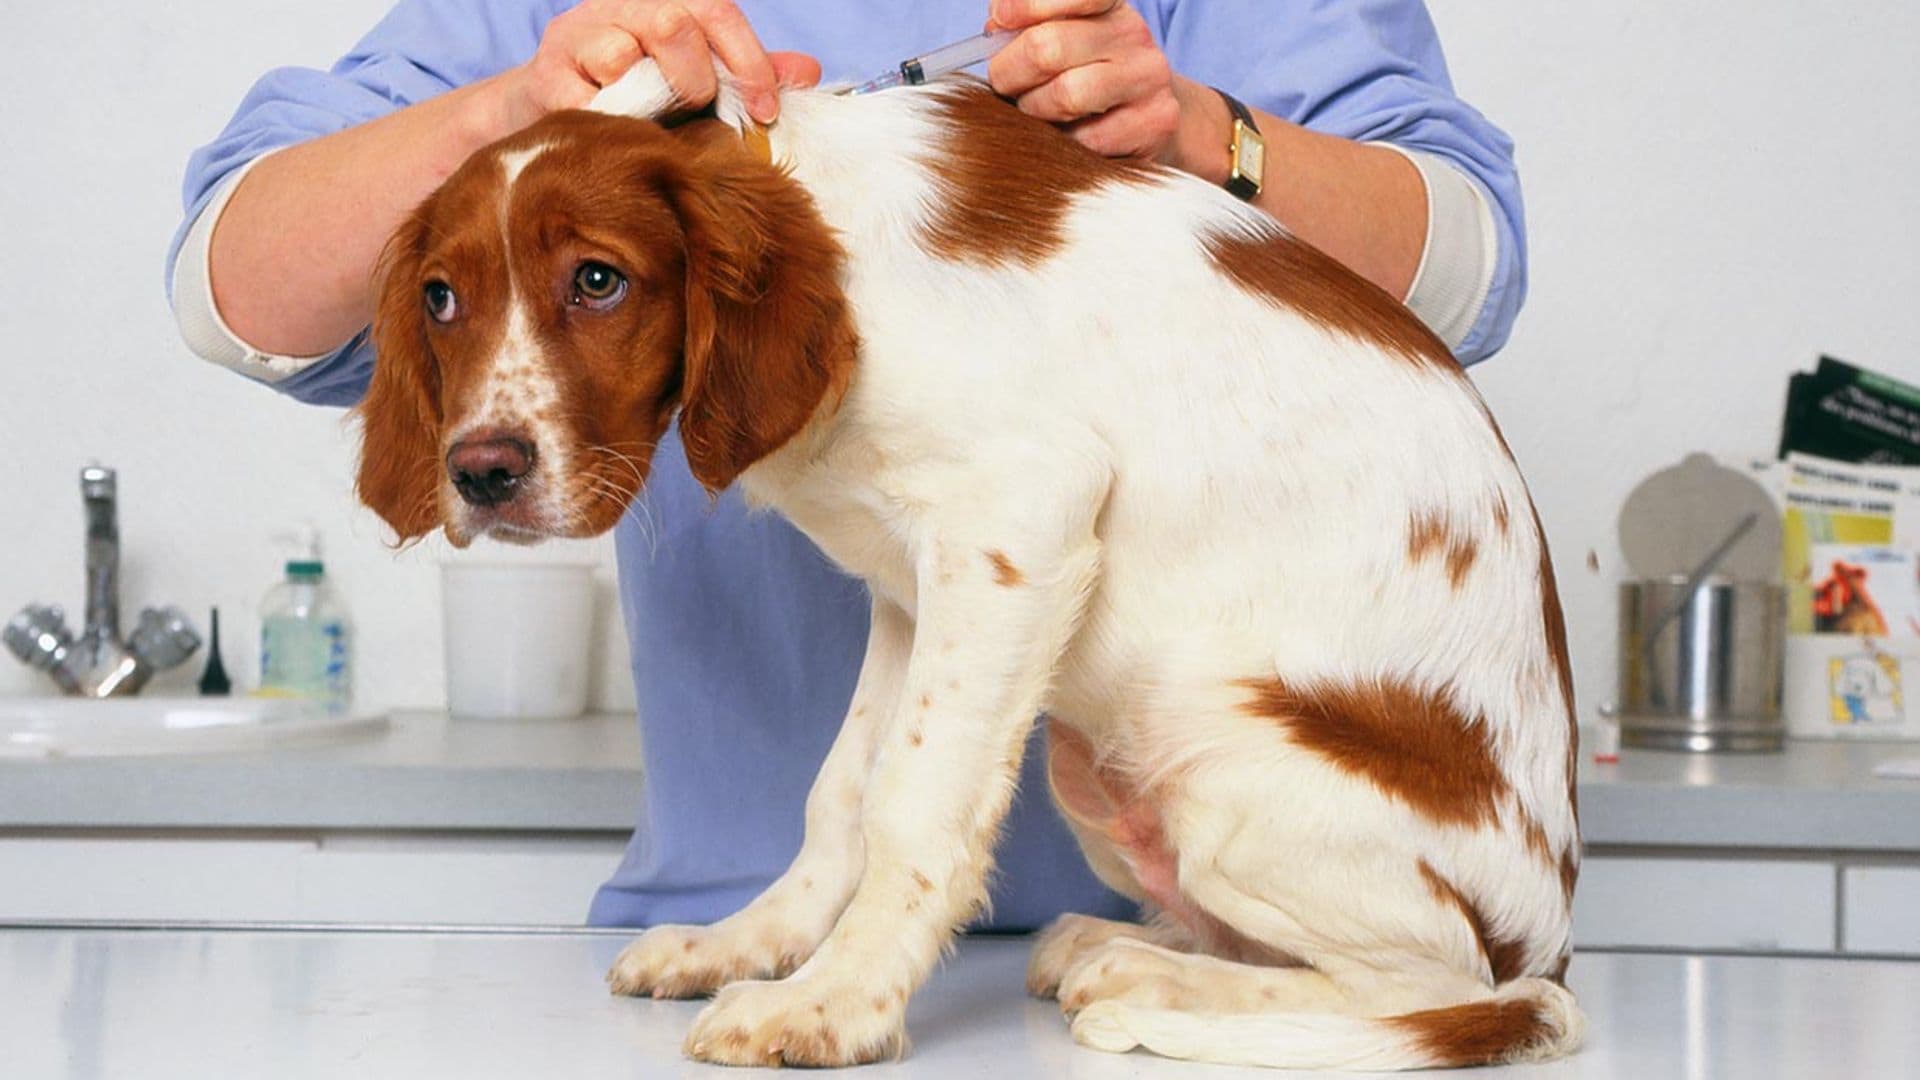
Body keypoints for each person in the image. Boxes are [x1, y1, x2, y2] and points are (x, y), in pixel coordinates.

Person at [167, 0, 1527, 931]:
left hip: (1182, 924)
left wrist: (1205, 140)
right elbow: (228, 281)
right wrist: (514, 121)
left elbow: (1470, 266)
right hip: (746, 915)